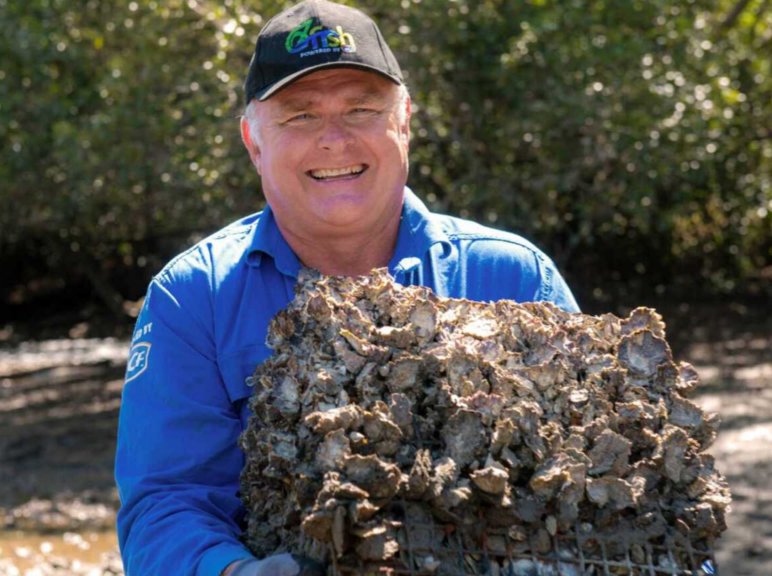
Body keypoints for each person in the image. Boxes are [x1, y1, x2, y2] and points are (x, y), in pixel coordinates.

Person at [114, 1, 580, 575]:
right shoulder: (193, 299)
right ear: (253, 142)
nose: (334, 140)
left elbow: (611, 479)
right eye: (300, 116)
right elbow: (165, 503)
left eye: (362, 109)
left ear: (404, 120)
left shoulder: (512, 277)